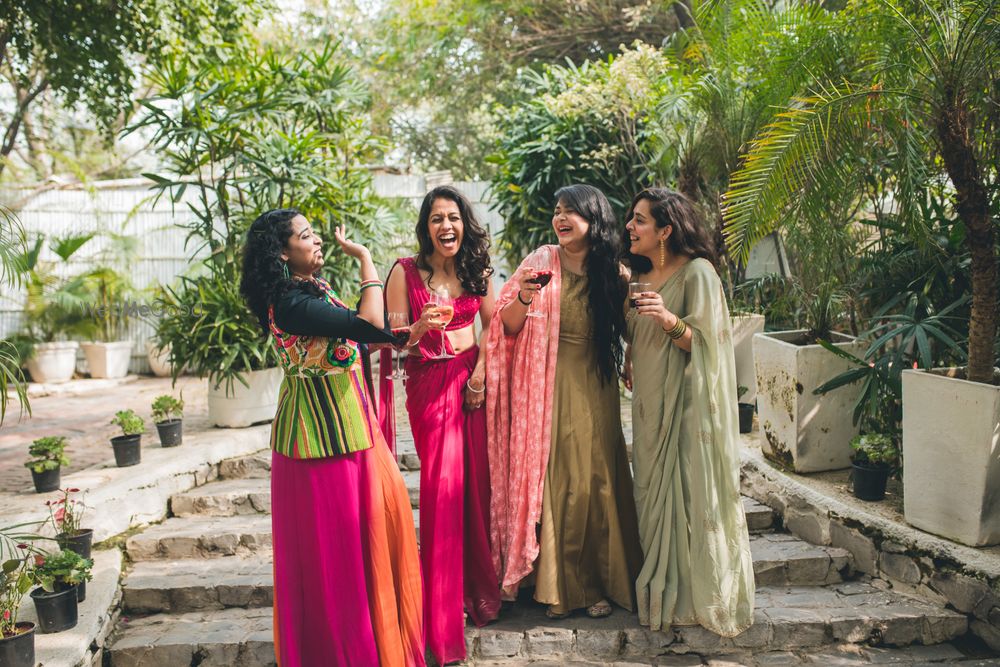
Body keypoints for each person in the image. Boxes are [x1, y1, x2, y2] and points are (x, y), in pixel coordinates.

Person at [240, 208, 425, 667]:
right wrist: (365, 259)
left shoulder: (311, 291)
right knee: (337, 556)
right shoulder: (290, 303)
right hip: (318, 441)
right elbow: (363, 325)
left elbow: (354, 343)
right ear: (283, 252)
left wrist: (407, 334)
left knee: (375, 535)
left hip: (350, 427)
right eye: (306, 235)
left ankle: (373, 645)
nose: (317, 240)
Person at [486, 183, 642, 619]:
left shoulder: (614, 273)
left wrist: (631, 357)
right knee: (558, 478)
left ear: (594, 219)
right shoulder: (540, 262)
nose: (560, 218)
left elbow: (634, 330)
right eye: (557, 211)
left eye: (570, 211)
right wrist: (525, 295)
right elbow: (507, 326)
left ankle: (601, 582)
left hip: (596, 382)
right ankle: (561, 585)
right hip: (546, 382)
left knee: (598, 477)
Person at [622, 187, 755, 637]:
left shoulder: (699, 273)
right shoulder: (638, 277)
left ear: (665, 230)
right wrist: (628, 358)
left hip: (685, 403)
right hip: (647, 403)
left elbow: (710, 345)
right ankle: (663, 585)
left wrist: (667, 320)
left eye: (639, 220)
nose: (630, 227)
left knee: (686, 491)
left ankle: (691, 594)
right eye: (631, 219)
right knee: (650, 492)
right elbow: (634, 336)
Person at [381, 185, 501, 665]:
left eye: (453, 217)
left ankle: (476, 592)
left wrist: (480, 376)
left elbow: (491, 327)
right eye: (436, 219)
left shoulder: (478, 270)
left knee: (475, 487)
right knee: (443, 488)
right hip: (429, 385)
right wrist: (419, 329)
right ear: (425, 226)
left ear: (464, 222)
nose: (446, 227)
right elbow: (391, 340)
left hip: (471, 384)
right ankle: (440, 610)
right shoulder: (404, 272)